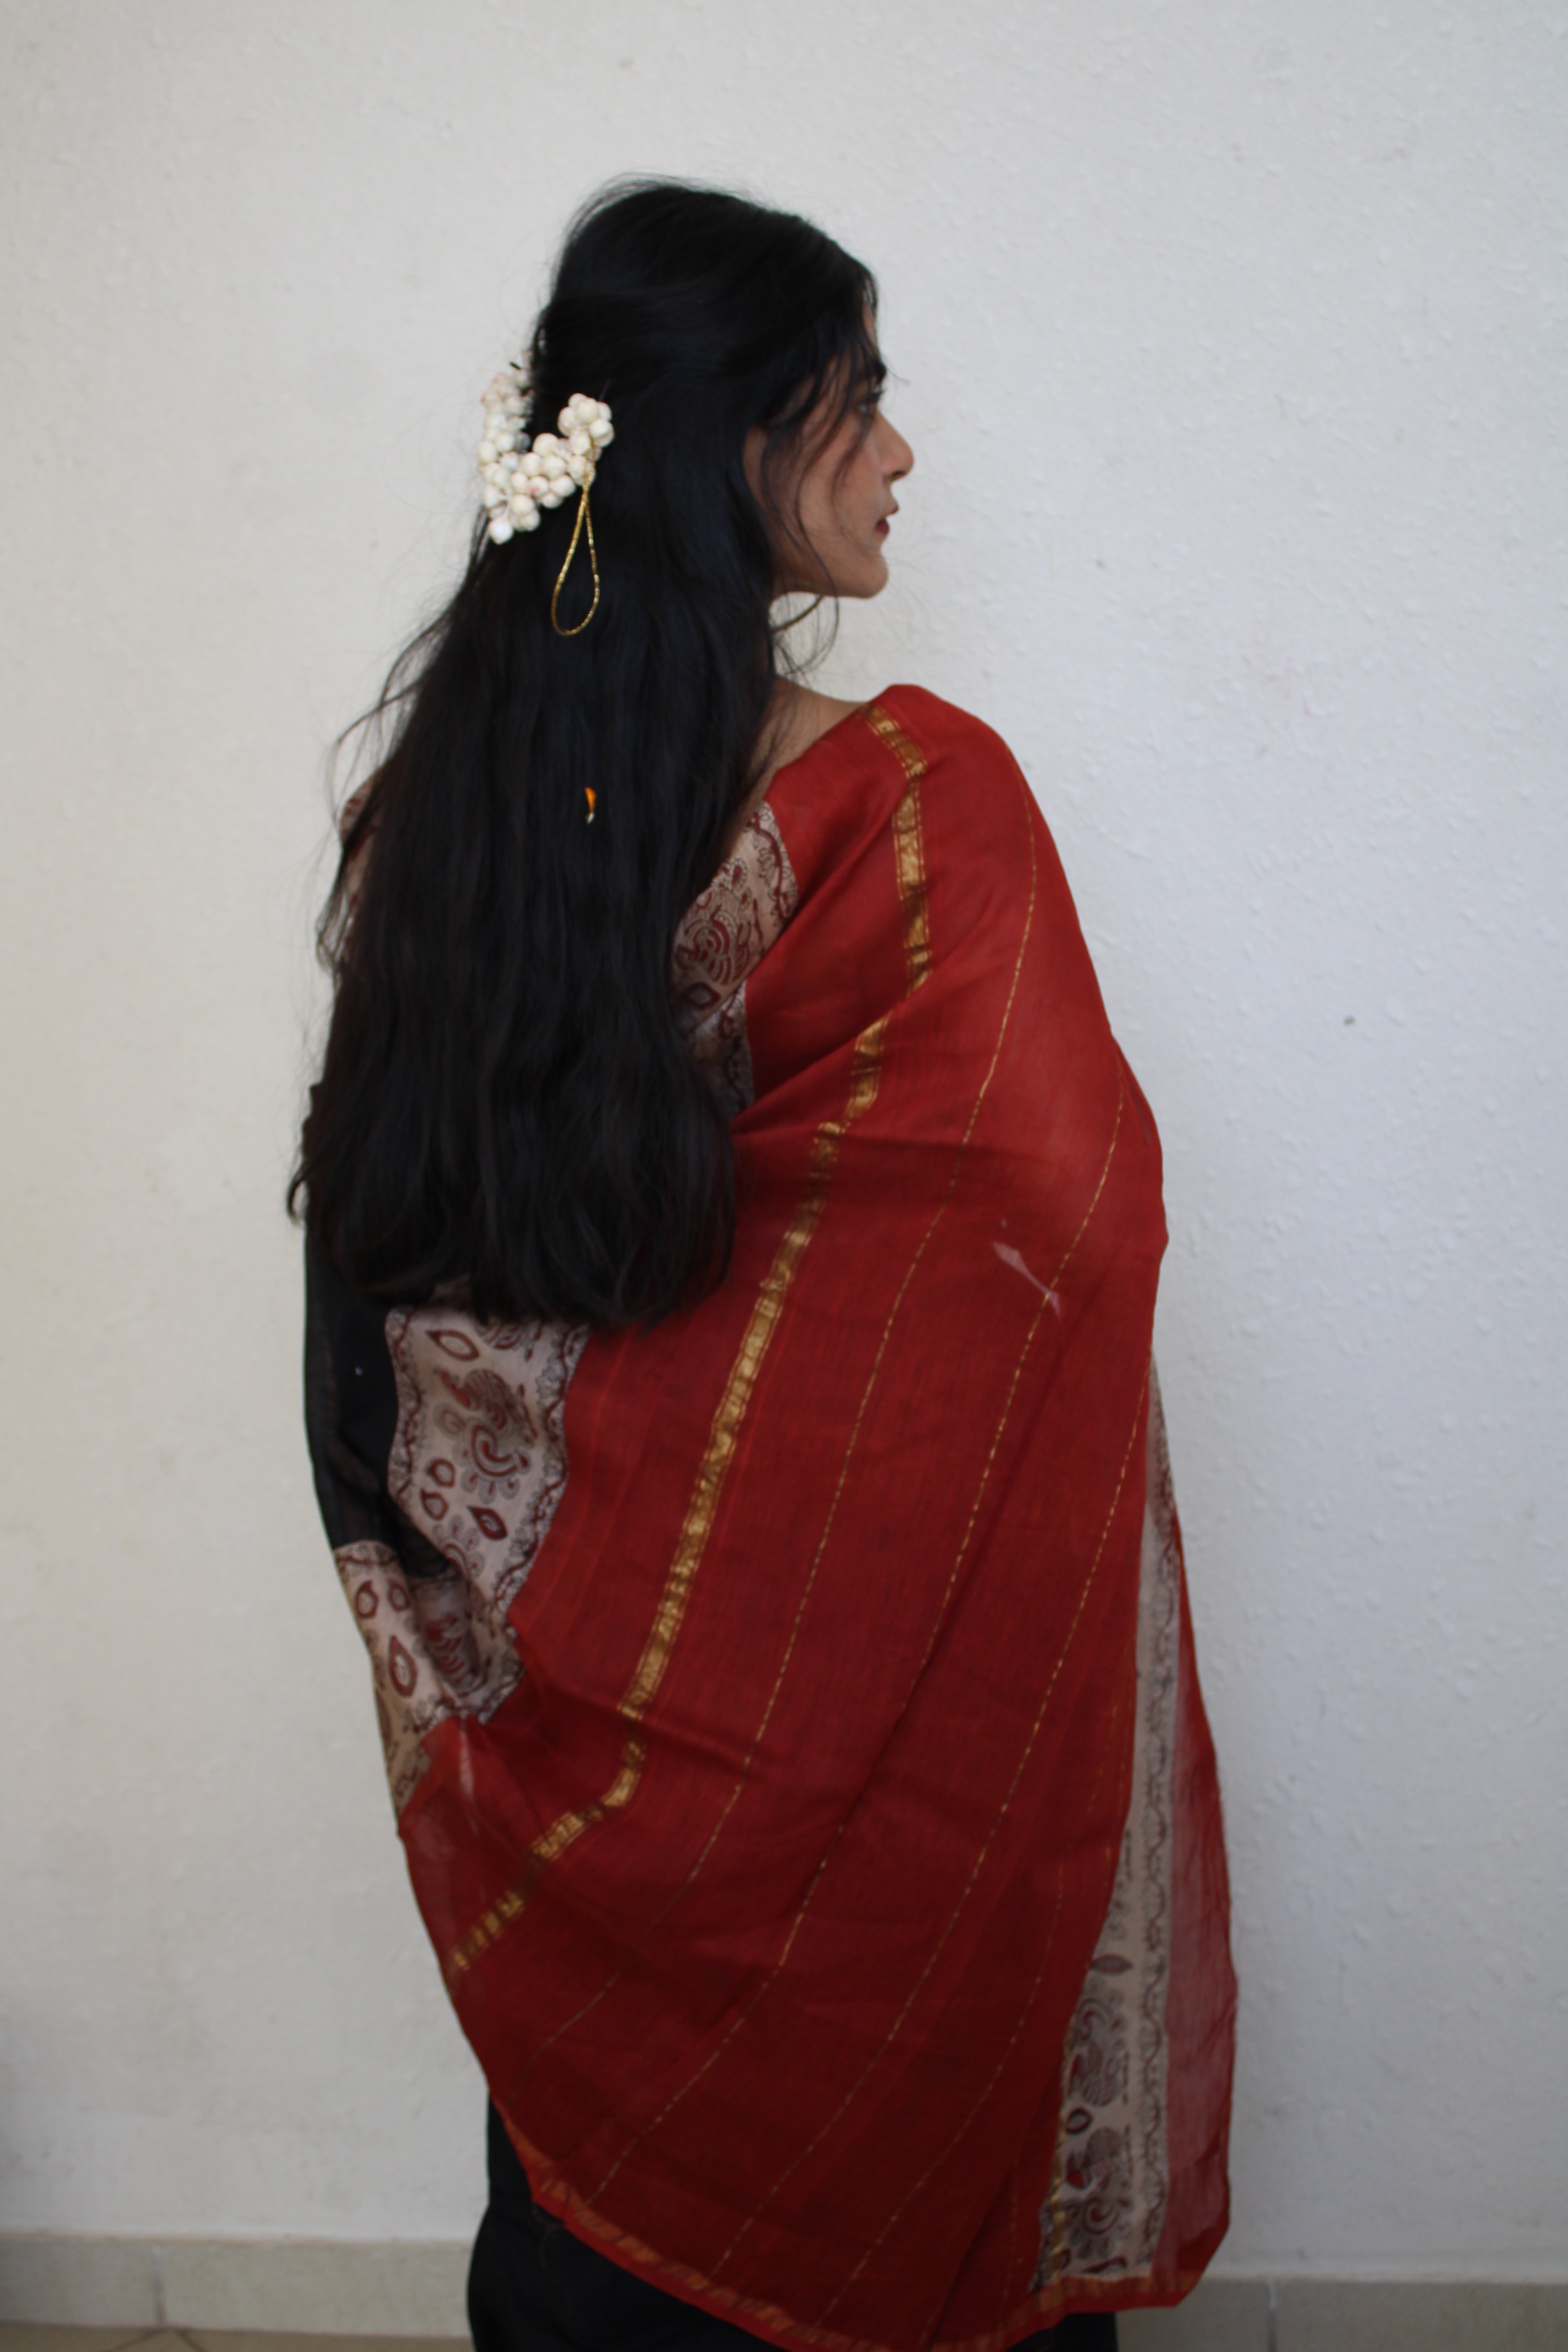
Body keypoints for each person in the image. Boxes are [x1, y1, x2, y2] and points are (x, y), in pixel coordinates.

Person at [296, 179, 1235, 2352]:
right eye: (861, 400)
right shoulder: (918, 805)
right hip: (868, 1717)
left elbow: (383, 1283)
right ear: (738, 443)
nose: (903, 454)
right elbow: (1068, 1227)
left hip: (565, 1695)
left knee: (599, 2211)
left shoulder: (432, 811)